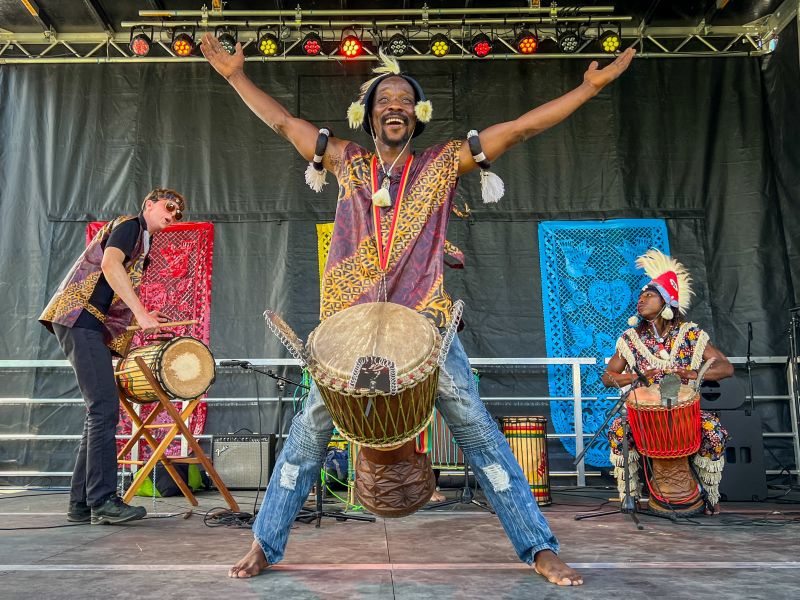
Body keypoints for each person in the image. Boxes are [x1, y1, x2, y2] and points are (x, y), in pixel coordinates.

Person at [201, 31, 635, 585]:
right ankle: (265, 542)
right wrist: (236, 77)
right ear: (367, 113)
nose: (394, 107)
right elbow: (284, 122)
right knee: (306, 437)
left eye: (404, 101)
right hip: (346, 332)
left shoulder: (441, 163)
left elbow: (522, 127)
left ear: (418, 113)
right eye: (384, 100)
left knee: (478, 431)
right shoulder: (344, 160)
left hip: (425, 324)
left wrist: (587, 89)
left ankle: (538, 547)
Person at [39, 189, 186, 524]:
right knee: (103, 409)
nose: (174, 215)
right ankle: (103, 500)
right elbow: (109, 264)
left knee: (99, 411)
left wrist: (144, 314)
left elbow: (112, 288)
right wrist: (141, 312)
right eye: (169, 207)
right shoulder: (130, 226)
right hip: (80, 320)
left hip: (85, 322)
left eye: (179, 213)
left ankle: (81, 503)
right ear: (149, 204)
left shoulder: (143, 241)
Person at [602, 249, 733, 515]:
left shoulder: (690, 334)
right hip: (643, 414)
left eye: (648, 295)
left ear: (667, 302)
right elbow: (608, 377)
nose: (641, 300)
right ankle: (630, 494)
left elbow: (726, 367)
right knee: (618, 429)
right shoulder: (629, 338)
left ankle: (710, 495)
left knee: (713, 430)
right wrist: (639, 377)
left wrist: (693, 374)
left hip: (684, 412)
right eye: (640, 295)